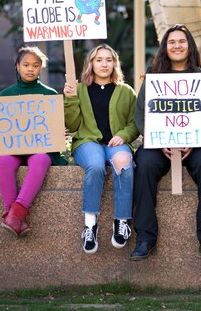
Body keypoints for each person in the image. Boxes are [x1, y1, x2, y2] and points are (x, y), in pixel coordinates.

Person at [131, 24, 201, 261]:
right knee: (144, 164)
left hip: (198, 143)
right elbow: (141, 114)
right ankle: (145, 237)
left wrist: (193, 139)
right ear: (165, 47)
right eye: (171, 42)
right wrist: (158, 138)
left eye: (181, 41)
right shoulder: (153, 80)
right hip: (159, 143)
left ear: (189, 46)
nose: (177, 46)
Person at [64, 44, 139, 254]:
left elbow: (135, 123)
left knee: (124, 163)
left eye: (109, 60)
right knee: (96, 166)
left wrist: (123, 136)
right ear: (91, 64)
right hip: (87, 142)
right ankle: (90, 225)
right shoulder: (78, 89)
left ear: (115, 63)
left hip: (115, 143)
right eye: (99, 60)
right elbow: (72, 124)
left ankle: (121, 222)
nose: (104, 64)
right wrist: (69, 100)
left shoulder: (126, 91)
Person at [0, 45, 68, 237]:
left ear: (41, 67)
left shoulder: (49, 94)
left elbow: (54, 125)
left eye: (35, 65)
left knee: (41, 159)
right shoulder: (6, 95)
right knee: (3, 161)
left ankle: (15, 214)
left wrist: (59, 131)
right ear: (17, 66)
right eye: (26, 64)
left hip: (39, 150)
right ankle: (14, 216)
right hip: (13, 149)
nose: (30, 69)